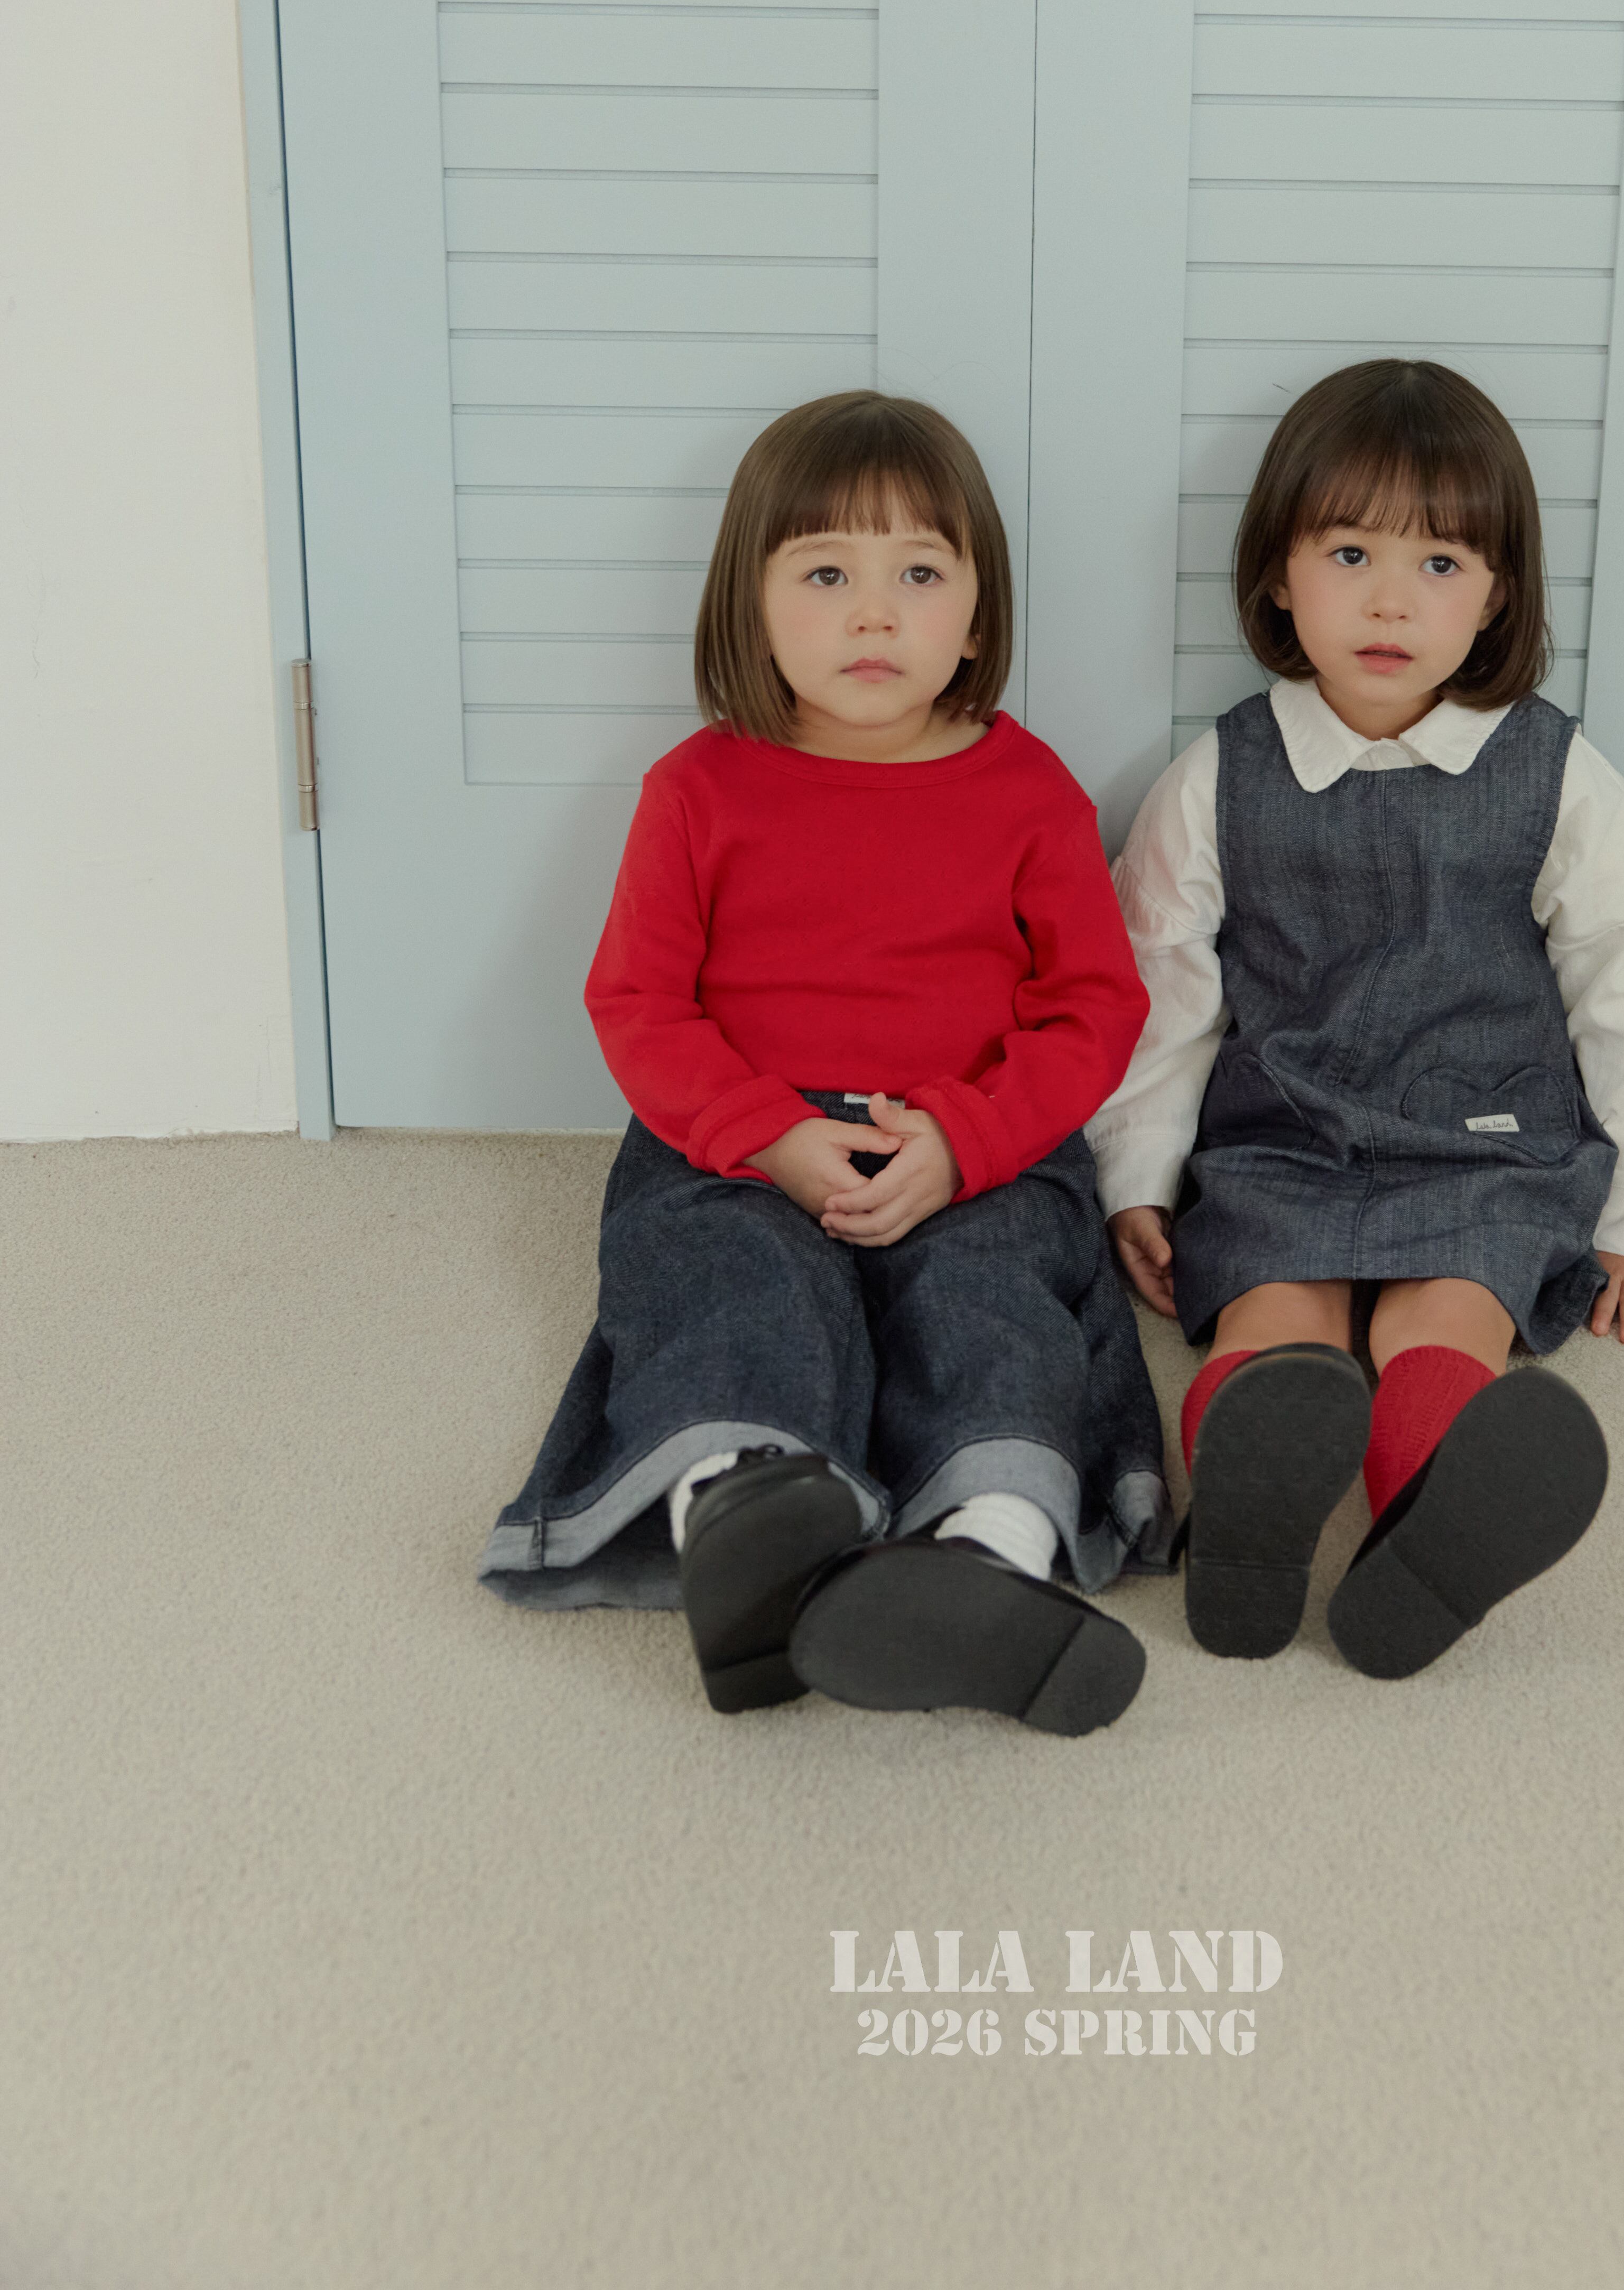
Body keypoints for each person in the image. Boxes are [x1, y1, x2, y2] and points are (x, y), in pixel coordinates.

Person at [479, 393, 1170, 1737]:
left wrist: (966, 1142)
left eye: (917, 575)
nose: (873, 616)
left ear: (977, 615)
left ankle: (986, 1559)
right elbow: (638, 1004)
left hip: (968, 1135)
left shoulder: (1030, 794)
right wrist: (767, 1136)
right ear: (751, 607)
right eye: (825, 575)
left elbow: (1091, 1007)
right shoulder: (699, 790)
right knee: (731, 1289)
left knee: (993, 1302)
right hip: (742, 1139)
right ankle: (747, 1528)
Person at [1091, 358, 1624, 1679]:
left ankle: (1426, 1524)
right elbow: (1157, 988)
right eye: (1349, 554)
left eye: (1438, 564)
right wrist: (1135, 1175)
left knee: (1449, 1312)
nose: (1388, 600)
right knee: (1274, 1318)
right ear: (1278, 575)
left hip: (1483, 1139)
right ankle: (1250, 1503)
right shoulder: (1218, 776)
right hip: (1283, 1137)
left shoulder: (1550, 773)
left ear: (1496, 595)